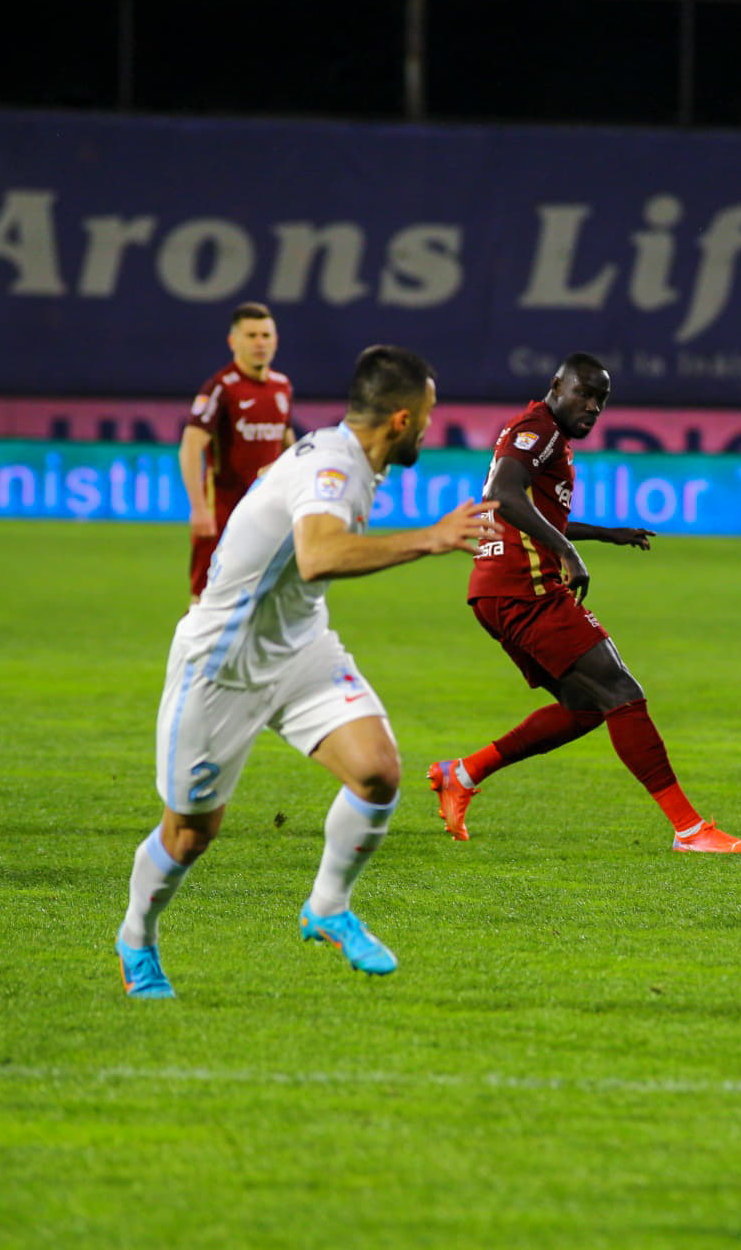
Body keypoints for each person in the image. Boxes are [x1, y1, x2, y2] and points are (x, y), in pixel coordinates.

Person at [116, 345, 495, 996]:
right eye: (429, 416)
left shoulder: (352, 462)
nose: (433, 428)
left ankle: (327, 908)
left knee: (377, 773)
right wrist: (430, 538)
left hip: (298, 649)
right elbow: (318, 556)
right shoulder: (331, 468)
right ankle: (137, 942)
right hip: (221, 663)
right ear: (401, 420)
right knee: (189, 834)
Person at [426, 352, 741, 855]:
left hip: (500, 589)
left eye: (601, 399)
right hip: (525, 587)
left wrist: (605, 534)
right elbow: (502, 493)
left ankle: (463, 773)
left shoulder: (543, 435)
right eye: (584, 393)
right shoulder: (537, 430)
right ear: (556, 386)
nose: (593, 406)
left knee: (585, 707)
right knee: (623, 693)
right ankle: (690, 831)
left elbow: (531, 506)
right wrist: (566, 550)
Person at [180, 302, 294, 600]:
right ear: (234, 341)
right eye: (252, 335)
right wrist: (199, 508)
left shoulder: (282, 387)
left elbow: (287, 444)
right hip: (224, 514)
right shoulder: (220, 388)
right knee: (206, 603)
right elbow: (191, 447)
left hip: (268, 515)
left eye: (266, 335)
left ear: (276, 340)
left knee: (265, 601)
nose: (260, 343)